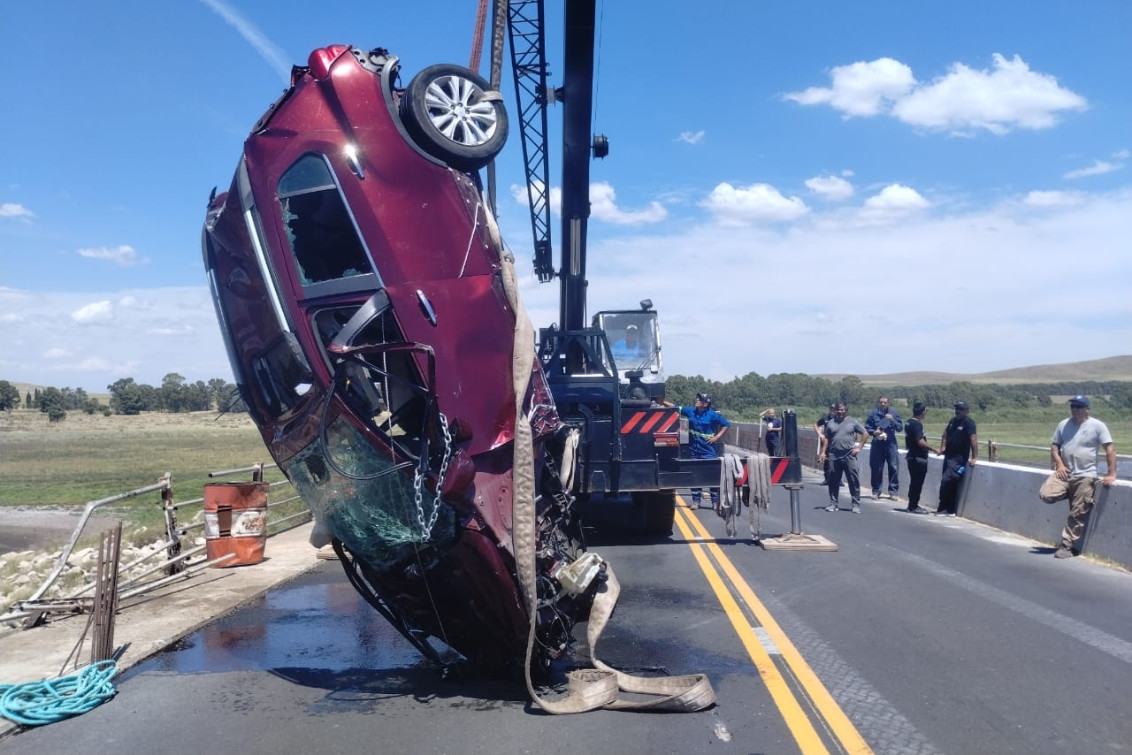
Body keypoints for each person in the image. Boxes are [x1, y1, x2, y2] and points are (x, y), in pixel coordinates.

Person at [1039, 395, 1117, 559]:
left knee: (1077, 513)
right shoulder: (1063, 424)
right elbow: (1054, 446)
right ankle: (1073, 495)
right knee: (1045, 494)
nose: (1074, 410)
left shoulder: (1097, 426)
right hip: (1066, 472)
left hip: (1086, 475)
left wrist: (1111, 474)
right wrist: (1059, 464)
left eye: (1078, 407)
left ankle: (1066, 546)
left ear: (1087, 409)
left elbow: (1109, 449)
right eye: (1073, 406)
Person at [657, 392, 730, 508]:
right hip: (694, 450)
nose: (696, 400)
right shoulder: (691, 411)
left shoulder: (712, 415)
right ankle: (696, 502)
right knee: (696, 476)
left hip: (708, 450)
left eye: (699, 399)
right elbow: (676, 407)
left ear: (705, 404)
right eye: (697, 398)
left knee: (712, 476)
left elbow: (726, 424)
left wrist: (717, 437)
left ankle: (715, 502)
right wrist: (662, 402)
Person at [818, 403, 867, 513]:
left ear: (846, 410)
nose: (840, 412)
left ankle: (855, 504)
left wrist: (859, 447)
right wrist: (823, 452)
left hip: (849, 455)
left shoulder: (852, 422)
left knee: (853, 480)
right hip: (833, 455)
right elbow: (826, 438)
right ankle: (833, 503)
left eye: (842, 410)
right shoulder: (831, 423)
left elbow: (865, 433)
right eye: (838, 410)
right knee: (833, 480)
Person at [936, 401, 977, 516]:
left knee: (947, 480)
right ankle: (947, 509)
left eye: (960, 409)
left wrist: (974, 457)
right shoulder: (953, 421)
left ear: (966, 411)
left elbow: (973, 439)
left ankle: (946, 508)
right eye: (957, 408)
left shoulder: (969, 423)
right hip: (948, 456)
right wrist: (943, 447)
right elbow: (945, 434)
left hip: (959, 458)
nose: (957, 411)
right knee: (949, 482)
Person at [865, 396, 904, 500]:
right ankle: (876, 491)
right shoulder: (873, 414)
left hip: (891, 443)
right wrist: (874, 432)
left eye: (885, 402)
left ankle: (893, 492)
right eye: (881, 402)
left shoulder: (894, 413)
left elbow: (900, 428)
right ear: (879, 403)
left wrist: (892, 420)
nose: (883, 404)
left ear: (888, 403)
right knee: (876, 467)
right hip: (877, 443)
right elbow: (867, 427)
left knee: (893, 467)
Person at [903, 402, 935, 514]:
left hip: (911, 456)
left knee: (914, 482)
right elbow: (920, 441)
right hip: (918, 457)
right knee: (917, 483)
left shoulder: (908, 422)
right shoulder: (917, 425)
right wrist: (934, 449)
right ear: (922, 412)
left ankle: (911, 504)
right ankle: (913, 506)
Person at [814, 403, 837, 484]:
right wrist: (820, 434)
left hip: (836, 442)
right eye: (831, 409)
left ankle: (838, 480)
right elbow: (816, 424)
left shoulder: (839, 418)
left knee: (838, 462)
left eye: (834, 409)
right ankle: (827, 479)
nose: (833, 411)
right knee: (826, 460)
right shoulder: (825, 418)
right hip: (826, 442)